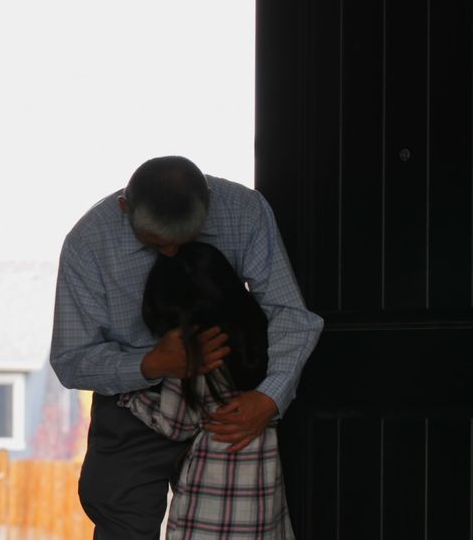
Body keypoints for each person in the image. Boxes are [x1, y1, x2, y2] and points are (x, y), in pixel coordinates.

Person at [49, 156, 322, 539]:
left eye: (186, 240)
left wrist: (270, 396)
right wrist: (150, 364)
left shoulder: (243, 210)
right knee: (121, 525)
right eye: (157, 243)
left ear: (207, 207)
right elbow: (71, 359)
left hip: (231, 403)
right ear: (125, 208)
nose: (173, 254)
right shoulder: (89, 242)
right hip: (133, 399)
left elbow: (287, 312)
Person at [120, 241, 292, 539]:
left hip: (210, 505)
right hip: (263, 490)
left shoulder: (194, 357)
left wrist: (132, 398)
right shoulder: (263, 337)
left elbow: (176, 425)